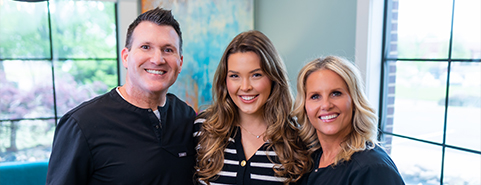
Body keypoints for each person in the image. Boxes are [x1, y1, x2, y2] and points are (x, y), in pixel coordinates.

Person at [46, 8, 196, 185]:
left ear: (180, 62)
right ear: (125, 57)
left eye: (168, 50)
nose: (157, 59)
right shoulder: (81, 125)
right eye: (145, 47)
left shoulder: (187, 116)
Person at [194, 30, 311, 185]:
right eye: (234, 76)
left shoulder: (298, 137)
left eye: (256, 75)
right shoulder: (203, 128)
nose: (245, 87)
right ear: (224, 80)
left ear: (273, 77)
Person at [293, 56, 405, 185]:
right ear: (305, 107)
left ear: (354, 101)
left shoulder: (372, 168)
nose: (326, 105)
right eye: (315, 96)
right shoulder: (310, 160)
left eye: (336, 93)